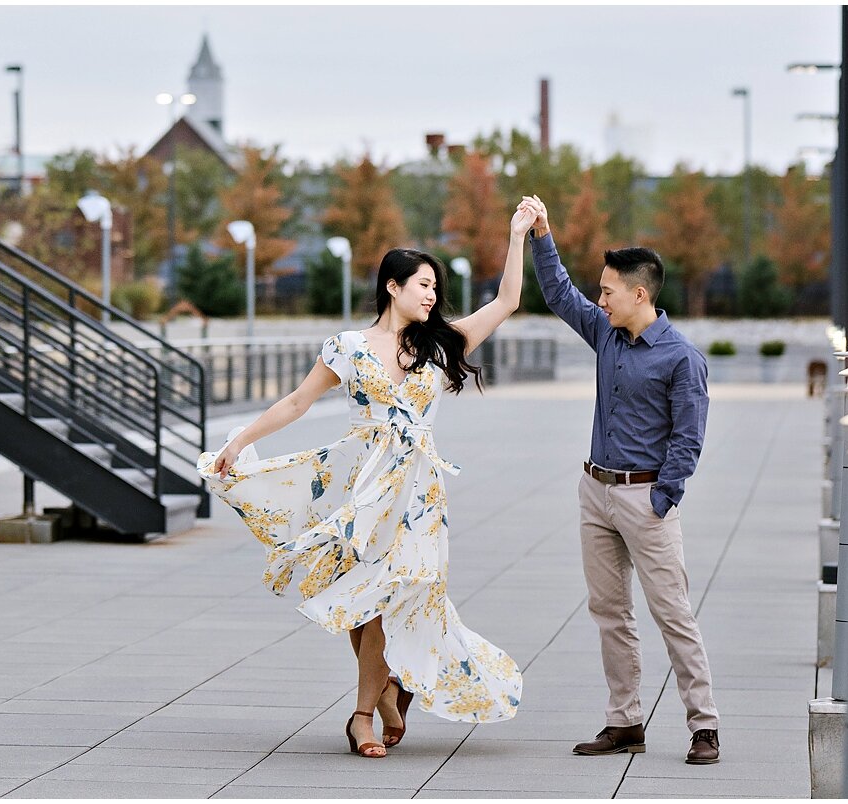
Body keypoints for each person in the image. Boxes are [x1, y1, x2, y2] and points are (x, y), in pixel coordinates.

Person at [196, 204, 535, 758]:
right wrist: (238, 442)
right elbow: (298, 401)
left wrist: (517, 235)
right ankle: (373, 704)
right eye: (423, 285)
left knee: (397, 589)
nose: (432, 295)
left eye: (436, 287)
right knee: (365, 597)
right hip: (361, 486)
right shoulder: (349, 348)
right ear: (391, 286)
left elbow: (506, 301)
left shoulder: (442, 342)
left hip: (419, 494)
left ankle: (372, 703)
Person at [521, 194, 720, 765]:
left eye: (608, 290)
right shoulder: (606, 334)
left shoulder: (681, 358)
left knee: (671, 613)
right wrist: (543, 233)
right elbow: (559, 293)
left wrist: (663, 497)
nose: (599, 298)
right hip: (595, 492)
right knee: (610, 613)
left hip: (645, 498)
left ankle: (704, 725)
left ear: (640, 294)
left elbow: (689, 437)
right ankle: (624, 721)